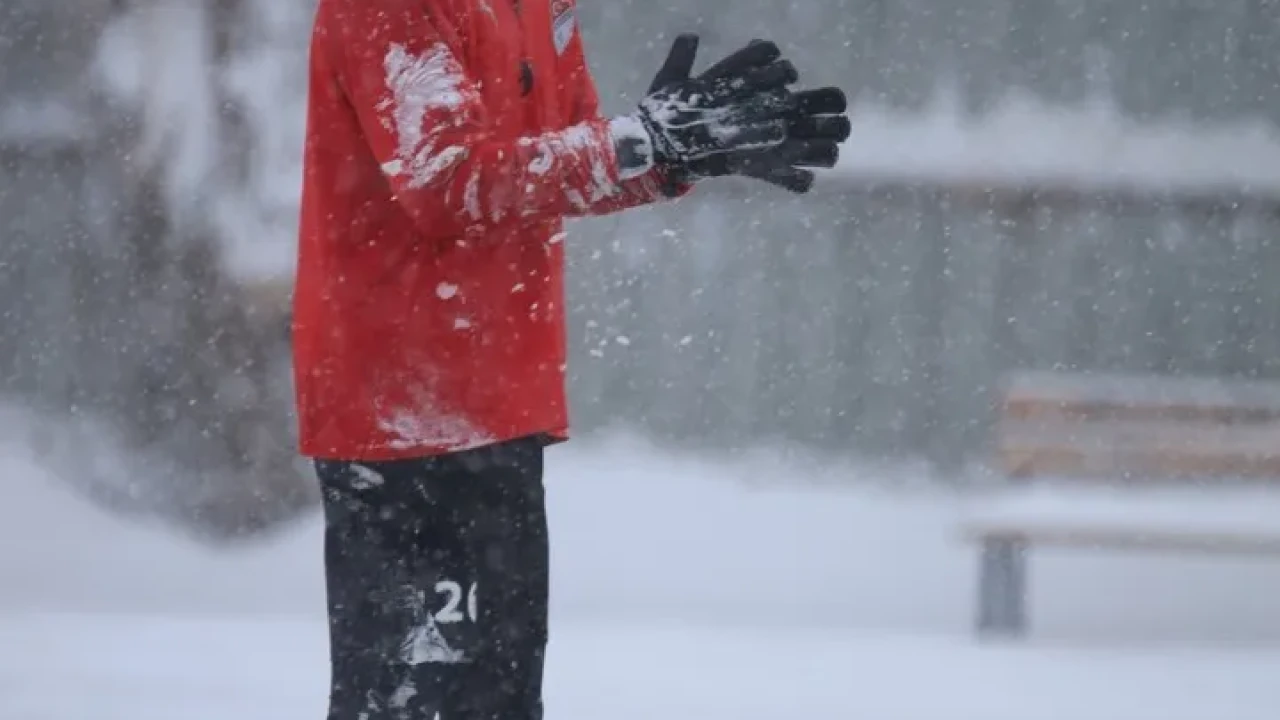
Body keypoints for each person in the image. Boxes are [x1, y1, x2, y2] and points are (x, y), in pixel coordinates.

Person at [291, 0, 851, 718]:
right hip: (403, 413)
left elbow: (564, 157)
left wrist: (670, 153)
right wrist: (641, 144)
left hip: (503, 404)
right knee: (415, 703)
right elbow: (448, 181)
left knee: (496, 704)